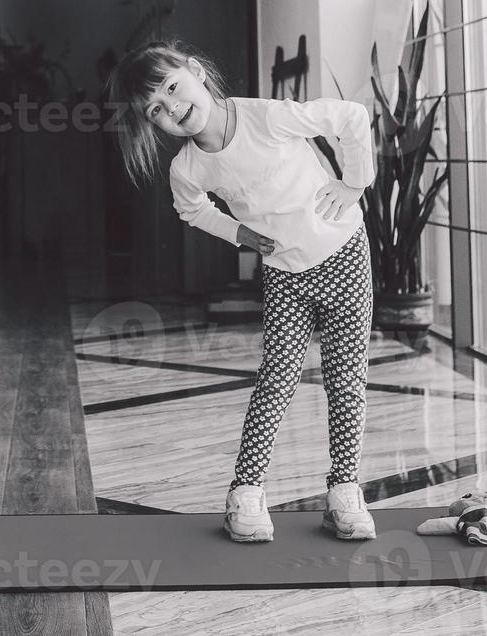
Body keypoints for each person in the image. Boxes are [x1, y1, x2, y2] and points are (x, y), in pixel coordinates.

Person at [105, 39, 378, 542]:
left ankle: (344, 491)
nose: (173, 108)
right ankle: (246, 494)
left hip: (344, 257)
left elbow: (352, 116)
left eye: (172, 88)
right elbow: (192, 210)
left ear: (194, 70)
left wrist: (355, 183)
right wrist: (241, 234)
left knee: (346, 382)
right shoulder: (187, 167)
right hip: (285, 276)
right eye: (156, 110)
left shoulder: (266, 118)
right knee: (276, 380)